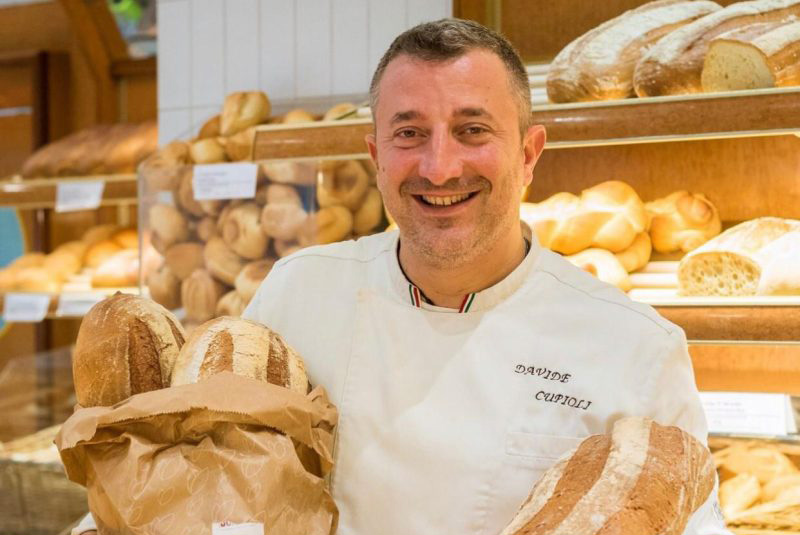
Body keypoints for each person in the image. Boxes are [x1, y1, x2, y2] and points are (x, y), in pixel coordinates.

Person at [75, 18, 729, 535]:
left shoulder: (635, 346)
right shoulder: (296, 292)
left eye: (472, 129)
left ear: (530, 155)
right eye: (410, 132)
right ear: (376, 155)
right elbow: (214, 476)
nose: (439, 167)